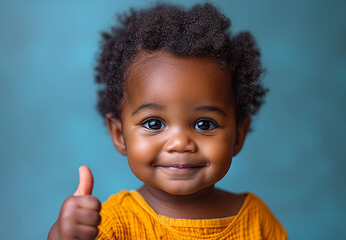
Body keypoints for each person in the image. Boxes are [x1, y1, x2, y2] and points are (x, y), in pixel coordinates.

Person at [48, 3, 287, 239]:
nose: (180, 143)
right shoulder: (111, 224)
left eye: (204, 124)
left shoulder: (258, 222)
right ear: (119, 135)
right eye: (154, 124)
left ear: (239, 135)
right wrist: (63, 235)